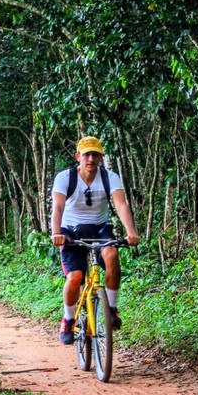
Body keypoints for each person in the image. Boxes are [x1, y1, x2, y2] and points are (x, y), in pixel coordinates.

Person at [50, 136, 140, 344]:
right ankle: (69, 319)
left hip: (99, 230)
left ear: (101, 157)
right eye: (86, 154)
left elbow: (120, 204)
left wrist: (130, 231)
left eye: (95, 154)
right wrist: (56, 233)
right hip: (70, 231)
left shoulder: (109, 177)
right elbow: (58, 206)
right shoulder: (65, 177)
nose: (91, 158)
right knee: (75, 278)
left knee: (112, 254)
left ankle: (112, 308)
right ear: (78, 157)